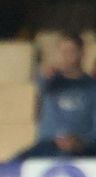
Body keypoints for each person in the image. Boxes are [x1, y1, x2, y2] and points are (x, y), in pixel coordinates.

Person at [17, 31, 96, 159]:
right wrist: (44, 77)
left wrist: (81, 143)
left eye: (71, 52)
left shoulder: (92, 87)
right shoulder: (50, 82)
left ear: (82, 53)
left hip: (81, 148)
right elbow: (35, 104)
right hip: (47, 145)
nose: (66, 57)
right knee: (14, 163)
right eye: (62, 52)